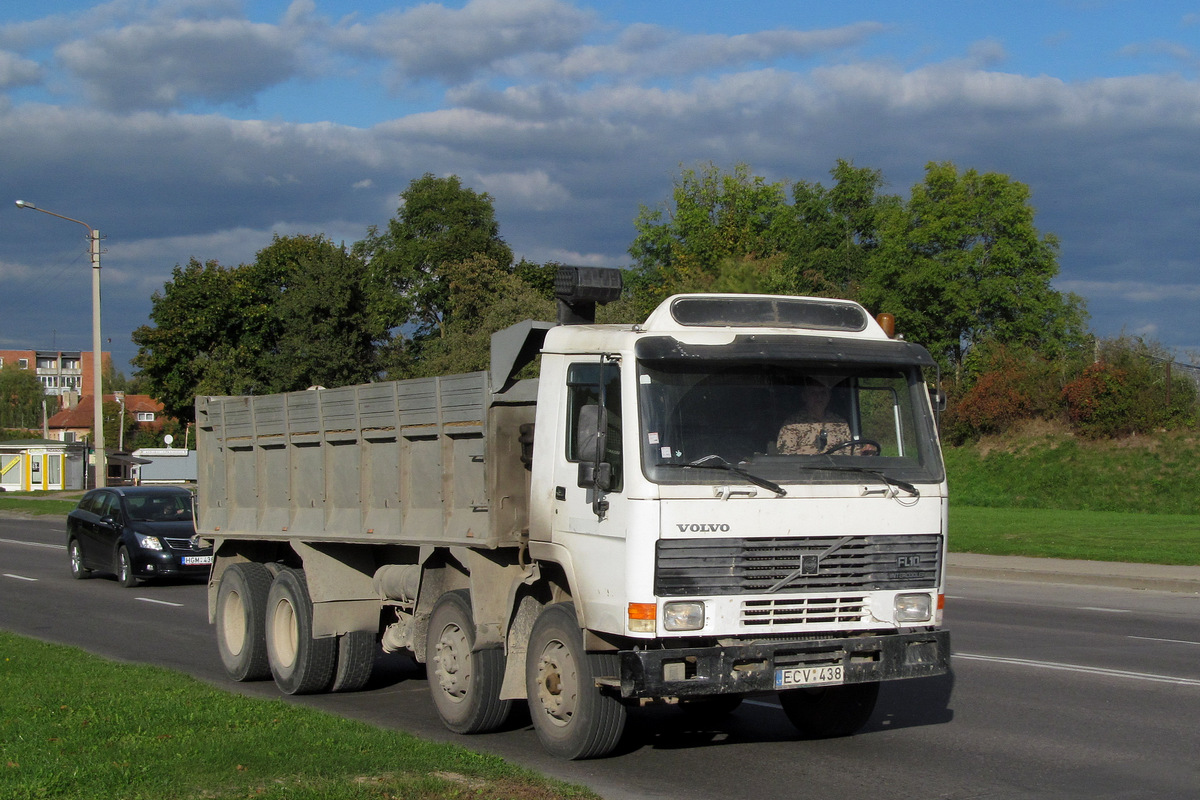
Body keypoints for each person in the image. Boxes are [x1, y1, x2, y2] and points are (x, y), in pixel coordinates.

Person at [777, 379, 876, 455]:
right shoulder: (792, 425)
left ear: (829, 396)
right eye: (814, 393)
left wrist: (865, 452)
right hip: (806, 478)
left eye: (823, 393)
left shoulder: (840, 423)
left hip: (840, 476)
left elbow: (852, 454)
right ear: (805, 396)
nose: (819, 397)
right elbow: (786, 459)